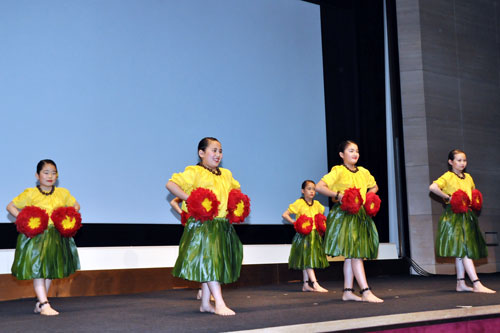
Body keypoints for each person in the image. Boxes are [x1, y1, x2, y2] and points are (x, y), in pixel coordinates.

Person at [165, 137, 244, 316]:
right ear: (201, 153)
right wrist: (190, 199)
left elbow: (236, 191)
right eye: (213, 150)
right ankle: (220, 303)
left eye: (220, 151)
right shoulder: (194, 172)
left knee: (213, 262)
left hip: (221, 224)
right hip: (203, 224)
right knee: (211, 261)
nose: (218, 154)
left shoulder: (226, 174)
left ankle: (205, 304)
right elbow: (171, 184)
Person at [6, 159, 81, 315]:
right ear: (37, 175)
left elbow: (76, 206)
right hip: (36, 237)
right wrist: (24, 220)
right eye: (46, 173)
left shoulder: (63, 193)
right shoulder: (30, 193)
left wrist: (69, 216)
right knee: (39, 271)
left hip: (54, 236)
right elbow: (10, 206)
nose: (50, 176)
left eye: (53, 173)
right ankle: (45, 304)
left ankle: (40, 303)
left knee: (49, 271)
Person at [316, 140, 383, 303]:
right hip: (345, 215)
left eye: (357, 151)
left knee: (351, 255)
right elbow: (319, 186)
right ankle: (365, 291)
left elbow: (374, 187)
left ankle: (347, 291)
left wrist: (369, 196)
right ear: (342, 154)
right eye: (351, 151)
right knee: (355, 253)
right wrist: (339, 196)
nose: (355, 154)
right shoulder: (338, 171)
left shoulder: (364, 172)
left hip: (359, 215)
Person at [429, 149, 495, 293]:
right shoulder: (448, 176)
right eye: (458, 160)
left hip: (467, 215)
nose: (462, 163)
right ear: (450, 162)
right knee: (464, 249)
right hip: (454, 216)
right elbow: (433, 187)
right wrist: (448, 197)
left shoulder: (469, 177)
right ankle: (476, 283)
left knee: (461, 250)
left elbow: (473, 194)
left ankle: (461, 283)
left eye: (464, 160)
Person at [282, 180, 329, 292]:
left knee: (306, 260)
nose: (312, 191)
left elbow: (320, 218)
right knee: (307, 259)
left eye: (313, 189)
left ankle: (306, 284)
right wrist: (295, 223)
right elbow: (285, 214)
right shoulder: (299, 203)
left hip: (314, 235)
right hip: (304, 236)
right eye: (309, 189)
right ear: (303, 191)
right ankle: (315, 283)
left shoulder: (317, 205)